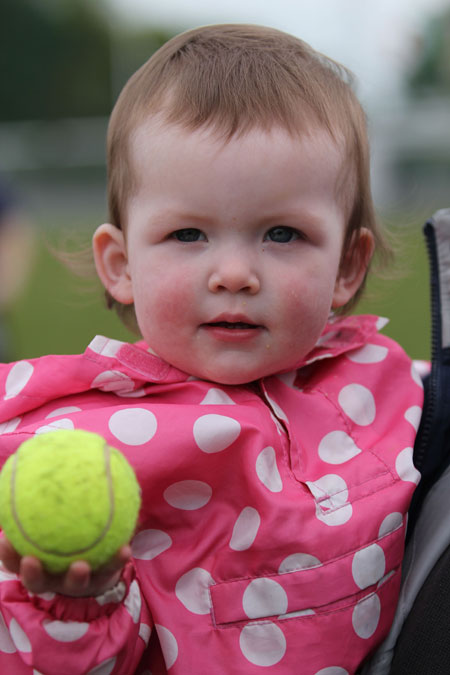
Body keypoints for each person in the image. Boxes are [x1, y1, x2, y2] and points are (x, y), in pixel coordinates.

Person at [0, 24, 423, 674]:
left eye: (282, 233)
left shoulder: (389, 380)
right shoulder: (72, 441)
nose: (233, 273)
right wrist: (76, 602)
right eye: (188, 233)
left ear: (347, 263)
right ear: (121, 263)